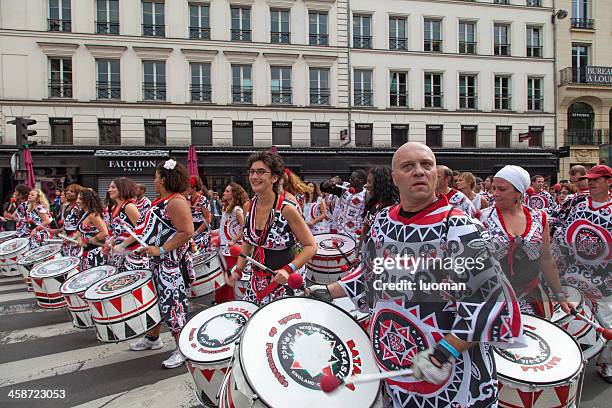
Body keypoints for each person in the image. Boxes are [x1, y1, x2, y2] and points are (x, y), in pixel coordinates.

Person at [307, 142, 522, 408]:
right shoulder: (383, 221)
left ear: (435, 174)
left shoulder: (460, 226)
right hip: (398, 367)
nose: (419, 172)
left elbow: (488, 302)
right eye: (408, 166)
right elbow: (370, 273)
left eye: (426, 165)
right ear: (395, 177)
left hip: (451, 374)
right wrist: (329, 291)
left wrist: (445, 351)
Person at [225, 150, 316, 305]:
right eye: (252, 172)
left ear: (274, 177)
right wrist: (238, 271)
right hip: (256, 283)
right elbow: (248, 241)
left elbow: (311, 246)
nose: (254, 177)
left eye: (261, 172)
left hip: (284, 283)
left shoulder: (287, 209)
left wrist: (288, 269)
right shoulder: (249, 207)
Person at [128, 159, 194, 369]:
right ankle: (153, 338)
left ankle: (183, 348)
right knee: (155, 304)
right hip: (160, 264)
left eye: (156, 177)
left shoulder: (176, 201)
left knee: (174, 307)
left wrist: (161, 249)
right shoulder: (162, 200)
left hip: (171, 266)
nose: (154, 181)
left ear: (164, 179)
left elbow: (187, 232)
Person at [479, 165, 570, 317]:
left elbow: (547, 259)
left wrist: (560, 296)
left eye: (502, 189)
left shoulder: (539, 218)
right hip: (492, 299)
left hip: (531, 298)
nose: (495, 194)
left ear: (518, 192)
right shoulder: (481, 218)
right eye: (494, 188)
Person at [553, 164, 612, 383]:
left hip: (604, 278)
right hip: (572, 273)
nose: (592, 182)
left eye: (597, 179)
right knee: (566, 319)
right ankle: (566, 362)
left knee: (607, 324)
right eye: (590, 178)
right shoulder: (575, 203)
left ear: (608, 181)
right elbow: (557, 224)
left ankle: (606, 363)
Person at [104, 178, 148, 271]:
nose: (109, 190)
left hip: (134, 255)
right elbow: (118, 231)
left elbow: (142, 230)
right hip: (120, 256)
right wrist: (111, 242)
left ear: (122, 188)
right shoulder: (114, 207)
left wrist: (123, 245)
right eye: (109, 187)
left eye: (113, 187)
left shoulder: (129, 206)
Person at [215, 182, 249, 303]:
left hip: (232, 250)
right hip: (223, 248)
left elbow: (245, 227)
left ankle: (230, 302)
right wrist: (215, 233)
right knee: (223, 275)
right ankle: (222, 300)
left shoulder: (237, 210)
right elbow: (224, 227)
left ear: (234, 194)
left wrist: (234, 240)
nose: (224, 193)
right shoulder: (226, 209)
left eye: (227, 191)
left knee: (230, 276)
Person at [321, 169, 368, 240]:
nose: (349, 179)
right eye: (350, 177)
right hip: (340, 232)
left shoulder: (367, 195)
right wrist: (329, 182)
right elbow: (323, 188)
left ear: (361, 181)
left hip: (355, 235)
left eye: (352, 179)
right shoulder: (343, 188)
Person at [361, 165, 399, 243]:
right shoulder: (374, 203)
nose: (366, 185)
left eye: (370, 182)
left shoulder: (395, 208)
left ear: (380, 185)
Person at [76, 188, 109, 270]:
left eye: (80, 199)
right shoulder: (85, 213)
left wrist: (90, 240)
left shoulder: (93, 215)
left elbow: (104, 232)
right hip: (87, 251)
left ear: (87, 200)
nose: (77, 201)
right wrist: (76, 239)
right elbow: (81, 232)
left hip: (95, 252)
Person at [55, 184, 82, 257]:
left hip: (76, 241)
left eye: (72, 191)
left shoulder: (78, 208)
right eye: (67, 191)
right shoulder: (66, 207)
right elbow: (67, 225)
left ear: (78, 194)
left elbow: (83, 226)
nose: (68, 192)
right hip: (67, 240)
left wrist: (73, 237)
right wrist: (56, 230)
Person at [186, 176, 212, 252]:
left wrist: (197, 232)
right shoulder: (187, 199)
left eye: (188, 186)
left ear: (194, 188)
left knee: (201, 255)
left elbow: (208, 219)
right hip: (190, 231)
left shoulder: (203, 200)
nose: (186, 188)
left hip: (202, 231)